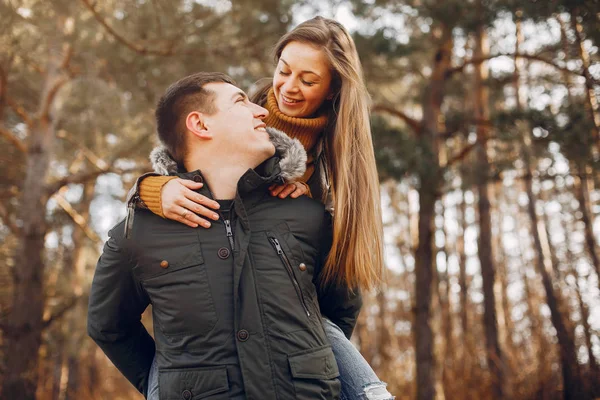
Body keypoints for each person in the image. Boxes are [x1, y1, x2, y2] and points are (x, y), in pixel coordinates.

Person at [128, 16, 393, 400]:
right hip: (207, 299)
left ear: (333, 90)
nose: (288, 87)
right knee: (182, 342)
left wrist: (303, 363)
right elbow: (182, 154)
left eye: (308, 80)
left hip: (287, 306)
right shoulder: (244, 115)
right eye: (283, 71)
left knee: (322, 329)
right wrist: (152, 189)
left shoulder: (339, 156)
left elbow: (338, 295)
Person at [88, 72, 363, 399]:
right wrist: (175, 385)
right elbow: (108, 326)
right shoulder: (139, 232)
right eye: (240, 101)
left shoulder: (308, 216)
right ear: (200, 125)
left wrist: (311, 370)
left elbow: (340, 311)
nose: (262, 112)